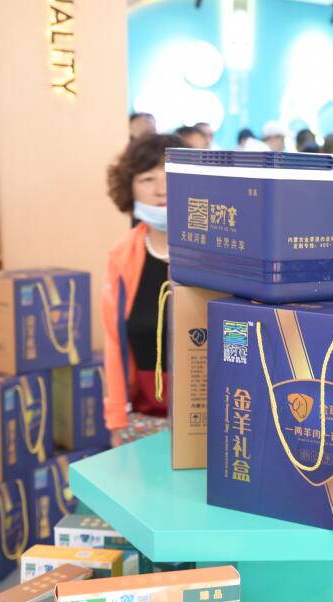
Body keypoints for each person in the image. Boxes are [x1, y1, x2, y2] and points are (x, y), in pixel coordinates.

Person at [103, 133, 186, 446]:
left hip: (211, 416)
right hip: (145, 417)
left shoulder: (217, 251)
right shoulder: (120, 257)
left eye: (170, 175)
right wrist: (116, 419)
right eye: (147, 179)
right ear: (130, 188)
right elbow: (115, 343)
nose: (161, 189)